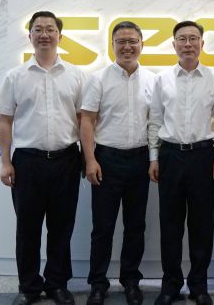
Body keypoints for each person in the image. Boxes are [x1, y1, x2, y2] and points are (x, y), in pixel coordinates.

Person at [0, 11, 84, 305]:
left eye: (50, 29)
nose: (44, 34)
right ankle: (29, 287)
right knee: (28, 228)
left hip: (66, 160)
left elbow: (84, 120)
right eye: (38, 29)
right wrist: (5, 162)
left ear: (60, 35)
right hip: (27, 162)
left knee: (62, 227)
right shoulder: (15, 76)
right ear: (30, 35)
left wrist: (89, 157)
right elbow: (5, 120)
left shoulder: (76, 75)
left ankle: (57, 284)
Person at [148, 21, 214, 305]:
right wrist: (154, 158)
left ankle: (198, 285)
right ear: (174, 45)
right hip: (170, 156)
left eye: (193, 38)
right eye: (182, 39)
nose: (188, 44)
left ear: (202, 44)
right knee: (170, 224)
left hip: (202, 156)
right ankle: (170, 285)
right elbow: (155, 121)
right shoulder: (162, 79)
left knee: (201, 224)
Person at [81, 21, 157, 305]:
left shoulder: (153, 80)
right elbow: (87, 120)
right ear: (112, 45)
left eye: (132, 41)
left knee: (135, 226)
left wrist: (153, 158)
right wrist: (90, 160)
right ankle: (97, 284)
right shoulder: (98, 79)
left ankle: (130, 281)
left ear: (141, 44)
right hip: (106, 159)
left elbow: (155, 123)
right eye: (121, 41)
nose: (127, 47)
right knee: (102, 227)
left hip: (139, 159)